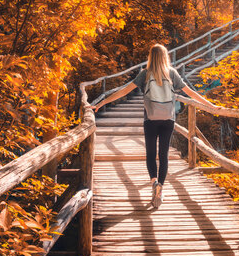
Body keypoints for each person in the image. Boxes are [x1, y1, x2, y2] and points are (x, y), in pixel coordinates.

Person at [88, 44, 217, 208]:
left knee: (151, 153)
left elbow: (124, 91)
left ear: (151, 57)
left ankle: (154, 182)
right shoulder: (171, 73)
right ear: (165, 57)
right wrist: (211, 105)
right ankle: (161, 188)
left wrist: (103, 102)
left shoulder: (145, 74)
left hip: (150, 119)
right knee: (163, 154)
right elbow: (190, 92)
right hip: (168, 119)